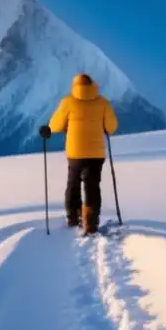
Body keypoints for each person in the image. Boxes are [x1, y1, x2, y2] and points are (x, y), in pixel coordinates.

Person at [39, 74, 118, 235]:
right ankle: (90, 223)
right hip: (96, 154)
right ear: (93, 86)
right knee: (92, 186)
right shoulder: (103, 103)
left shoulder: (68, 102)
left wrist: (48, 129)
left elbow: (56, 124)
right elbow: (111, 127)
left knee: (73, 184)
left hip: (75, 153)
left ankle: (73, 218)